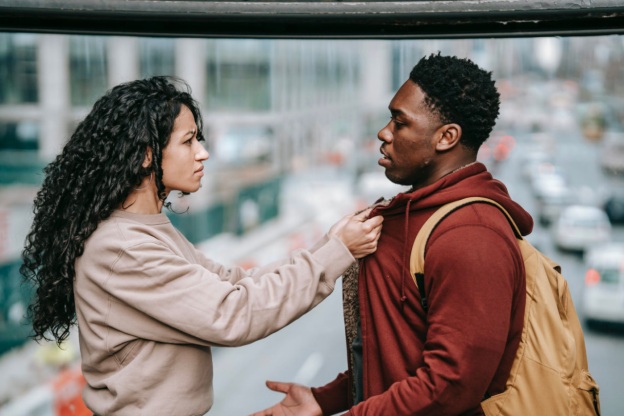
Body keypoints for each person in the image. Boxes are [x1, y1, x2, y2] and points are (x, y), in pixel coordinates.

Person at [20, 76, 383, 416]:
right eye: (188, 140)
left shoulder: (147, 230)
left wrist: (329, 244)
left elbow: (232, 280)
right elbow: (233, 313)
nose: (203, 153)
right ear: (146, 155)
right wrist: (338, 254)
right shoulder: (121, 248)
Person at [251, 53, 533, 415]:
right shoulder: (413, 213)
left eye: (400, 122)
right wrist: (324, 400)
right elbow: (398, 355)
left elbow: (450, 385)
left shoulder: (472, 237)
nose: (384, 132)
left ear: (446, 137)